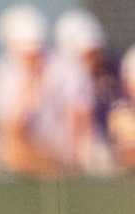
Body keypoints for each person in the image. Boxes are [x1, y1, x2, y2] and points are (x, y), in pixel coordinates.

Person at [43, 8, 116, 173]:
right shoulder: (65, 76)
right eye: (88, 53)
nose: (94, 59)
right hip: (68, 162)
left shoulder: (107, 79)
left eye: (94, 52)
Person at [0, 5, 54, 174]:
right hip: (30, 156)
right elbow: (11, 128)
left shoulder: (62, 69)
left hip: (60, 153)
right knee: (12, 151)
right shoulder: (3, 74)